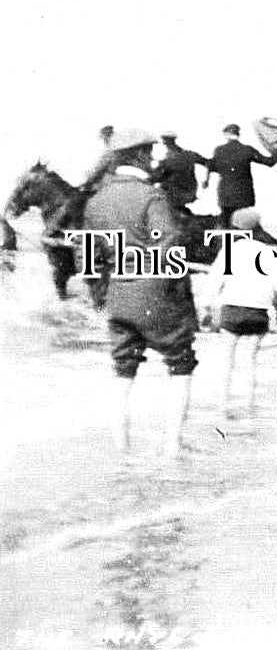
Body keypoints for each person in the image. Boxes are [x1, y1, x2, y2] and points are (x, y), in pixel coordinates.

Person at [83, 128, 199, 458]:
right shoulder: (152, 196)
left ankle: (123, 452)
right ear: (135, 155)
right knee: (181, 364)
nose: (154, 159)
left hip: (118, 295)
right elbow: (170, 242)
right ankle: (173, 447)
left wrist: (103, 295)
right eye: (149, 153)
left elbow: (88, 258)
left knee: (122, 373)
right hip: (156, 294)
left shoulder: (97, 200)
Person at [204, 207, 277, 419]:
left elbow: (213, 282)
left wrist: (206, 306)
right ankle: (248, 407)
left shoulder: (229, 250)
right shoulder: (268, 253)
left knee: (227, 360)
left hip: (232, 311)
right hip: (258, 313)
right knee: (249, 361)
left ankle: (222, 406)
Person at [205, 124, 277, 227]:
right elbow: (269, 162)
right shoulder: (247, 150)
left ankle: (226, 242)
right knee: (243, 225)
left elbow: (211, 166)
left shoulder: (219, 150)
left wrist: (206, 181)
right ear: (238, 134)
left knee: (225, 224)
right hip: (244, 196)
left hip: (225, 195)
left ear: (226, 135)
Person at [151, 131, 209, 212]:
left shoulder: (168, 160)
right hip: (190, 192)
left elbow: (157, 178)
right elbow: (208, 163)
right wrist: (206, 180)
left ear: (165, 143)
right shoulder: (189, 154)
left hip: (174, 195)